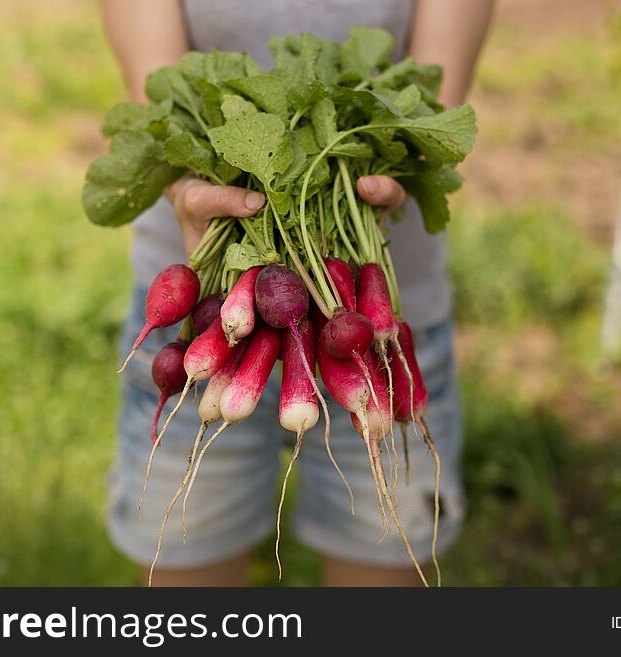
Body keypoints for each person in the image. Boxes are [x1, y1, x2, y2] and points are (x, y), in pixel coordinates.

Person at [99, 0, 493, 586]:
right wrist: (185, 181)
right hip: (205, 314)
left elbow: (436, 83)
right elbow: (158, 76)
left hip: (371, 327)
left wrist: (407, 156)